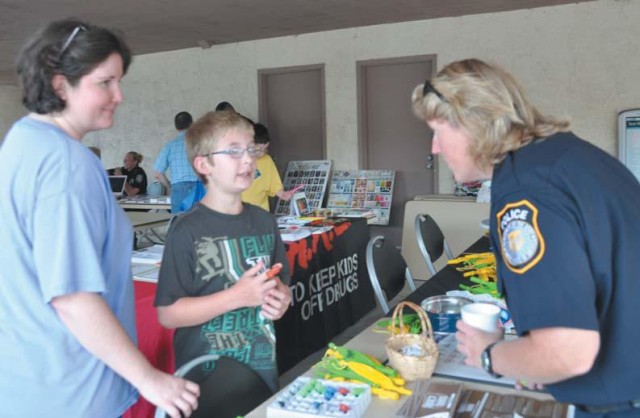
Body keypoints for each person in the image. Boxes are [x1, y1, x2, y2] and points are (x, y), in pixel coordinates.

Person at [411, 58, 640, 416]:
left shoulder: (525, 190)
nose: (434, 148)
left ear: (471, 123)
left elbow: (569, 351)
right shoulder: (566, 156)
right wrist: (532, 361)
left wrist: (489, 355)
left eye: (437, 131)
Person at [0, 18, 200, 418]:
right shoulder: (67, 163)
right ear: (61, 85)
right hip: (72, 387)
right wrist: (149, 378)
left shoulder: (22, 140)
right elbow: (72, 296)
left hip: (27, 377)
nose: (119, 95)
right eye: (105, 82)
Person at [155, 110, 292, 397]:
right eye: (233, 151)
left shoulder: (265, 221)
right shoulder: (185, 231)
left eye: (250, 149)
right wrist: (237, 297)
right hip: (206, 381)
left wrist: (281, 301)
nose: (247, 159)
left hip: (261, 370)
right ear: (204, 164)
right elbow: (168, 314)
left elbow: (282, 285)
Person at [241, 122, 294, 211]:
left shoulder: (267, 160)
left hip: (262, 211)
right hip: (240, 211)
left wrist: (282, 194)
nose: (262, 152)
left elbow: (274, 184)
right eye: (259, 149)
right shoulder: (238, 160)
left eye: (265, 149)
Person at [154, 111, 199, 213]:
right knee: (200, 224)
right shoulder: (201, 143)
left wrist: (169, 186)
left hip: (179, 189)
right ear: (192, 124)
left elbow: (158, 173)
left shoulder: (170, 146)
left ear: (176, 127)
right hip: (199, 187)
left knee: (179, 224)